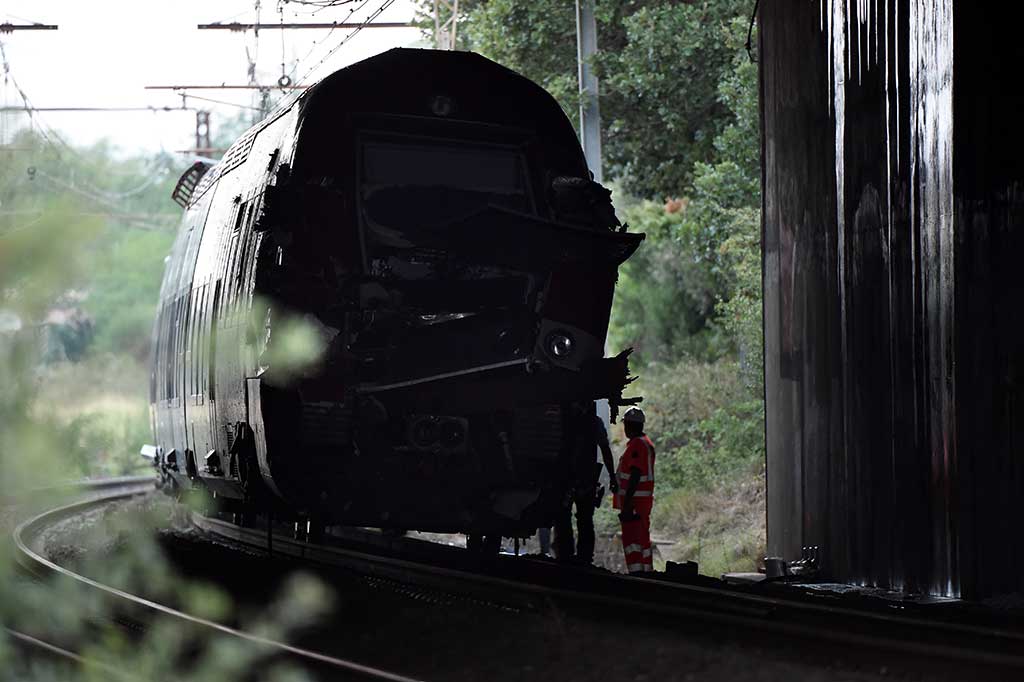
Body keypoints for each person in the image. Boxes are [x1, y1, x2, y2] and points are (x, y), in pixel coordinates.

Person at [553, 402, 616, 565]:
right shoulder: (595, 423)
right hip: (586, 479)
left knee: (564, 517)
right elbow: (605, 449)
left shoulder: (566, 423)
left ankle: (566, 555)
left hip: (567, 479)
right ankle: (584, 558)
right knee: (584, 519)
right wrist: (612, 475)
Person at [613, 406, 655, 574]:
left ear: (631, 425)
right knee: (642, 541)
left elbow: (635, 475)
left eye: (627, 425)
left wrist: (628, 503)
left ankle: (637, 574)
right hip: (641, 504)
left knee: (633, 542)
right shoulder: (646, 443)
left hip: (634, 504)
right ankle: (645, 572)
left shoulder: (638, 445)